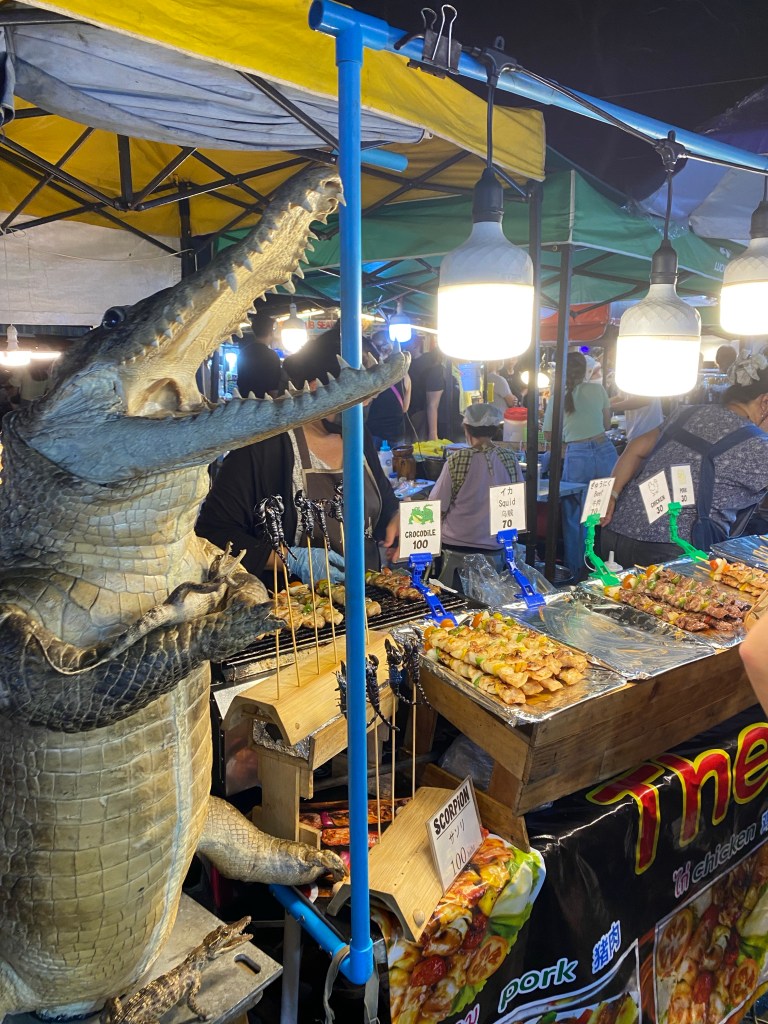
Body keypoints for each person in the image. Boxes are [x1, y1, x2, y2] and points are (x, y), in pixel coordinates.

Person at [196, 327, 400, 587]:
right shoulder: (261, 447)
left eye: (370, 399)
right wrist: (291, 559)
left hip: (365, 595)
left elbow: (383, 502)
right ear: (316, 388)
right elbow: (213, 533)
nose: (366, 407)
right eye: (358, 399)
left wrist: (395, 518)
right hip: (291, 603)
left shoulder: (358, 437)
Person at [601, 352, 768, 568]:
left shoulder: (686, 414)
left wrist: (612, 495)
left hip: (616, 530)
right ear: (765, 401)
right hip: (672, 549)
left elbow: (636, 447)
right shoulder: (759, 445)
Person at [429, 403, 523, 590]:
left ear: (466, 428)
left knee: (455, 600)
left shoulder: (456, 460)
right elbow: (517, 504)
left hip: (455, 551)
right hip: (497, 549)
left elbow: (436, 506)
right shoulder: (510, 459)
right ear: (495, 429)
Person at [543, 350, 617, 578]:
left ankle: (576, 573)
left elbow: (548, 434)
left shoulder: (558, 397)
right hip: (605, 451)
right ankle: (610, 564)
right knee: (608, 509)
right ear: (585, 370)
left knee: (576, 516)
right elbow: (606, 424)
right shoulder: (598, 390)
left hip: (578, 455)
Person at [364, 331, 411, 449]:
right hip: (397, 433)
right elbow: (405, 408)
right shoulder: (404, 375)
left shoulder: (371, 375)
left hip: (374, 433)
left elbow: (365, 403)